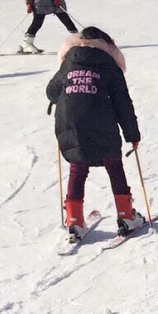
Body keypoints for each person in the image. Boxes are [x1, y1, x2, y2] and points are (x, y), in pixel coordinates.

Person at [46, 26, 146, 239]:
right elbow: (122, 104)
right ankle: (126, 216)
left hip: (70, 124)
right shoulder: (109, 65)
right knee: (113, 165)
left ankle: (74, 220)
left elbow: (51, 91)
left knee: (77, 166)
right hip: (102, 124)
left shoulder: (68, 62)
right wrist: (132, 135)